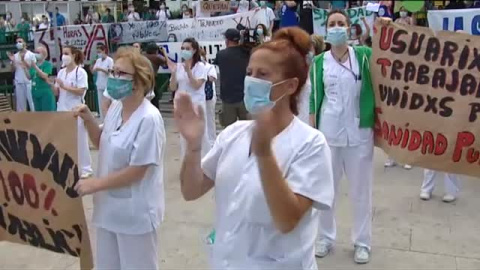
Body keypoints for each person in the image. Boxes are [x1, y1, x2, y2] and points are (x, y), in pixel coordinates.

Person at [174, 26, 334, 269]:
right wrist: (194, 147)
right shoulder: (233, 133)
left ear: (291, 85)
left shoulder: (310, 144)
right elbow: (191, 190)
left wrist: (264, 154)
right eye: (249, 72)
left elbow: (287, 219)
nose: (251, 80)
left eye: (262, 74)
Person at [74, 46, 165, 270]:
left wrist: (95, 184)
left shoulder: (149, 119)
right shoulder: (116, 108)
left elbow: (138, 171)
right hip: (108, 210)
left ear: (139, 81)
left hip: (135, 215)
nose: (113, 78)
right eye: (112, 72)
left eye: (120, 73)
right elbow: (102, 142)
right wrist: (88, 120)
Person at [310, 10, 375, 264]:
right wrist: (313, 134)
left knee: (361, 191)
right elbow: (315, 99)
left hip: (359, 134)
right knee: (327, 191)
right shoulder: (319, 62)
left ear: (349, 28)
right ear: (326, 29)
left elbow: (388, 65)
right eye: (332, 24)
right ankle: (325, 237)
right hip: (328, 134)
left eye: (341, 23)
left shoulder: (364, 56)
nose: (336, 27)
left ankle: (362, 242)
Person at [54, 46, 93, 179]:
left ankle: (86, 168)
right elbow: (57, 91)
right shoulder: (61, 72)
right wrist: (52, 85)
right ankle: (67, 166)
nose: (63, 56)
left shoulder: (80, 72)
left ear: (74, 55)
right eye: (63, 53)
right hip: (62, 108)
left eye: (66, 53)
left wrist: (64, 86)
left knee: (80, 139)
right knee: (63, 138)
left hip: (76, 109)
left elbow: (81, 91)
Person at [168, 37, 210, 158]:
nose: (184, 50)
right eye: (183, 48)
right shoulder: (178, 66)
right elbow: (172, 87)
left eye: (188, 48)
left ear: (194, 50)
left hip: (196, 104)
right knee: (184, 136)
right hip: (182, 106)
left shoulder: (201, 66)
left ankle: (204, 164)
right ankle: (187, 165)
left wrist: (188, 71)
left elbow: (196, 85)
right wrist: (173, 73)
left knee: (200, 136)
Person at [214, 29, 250, 127]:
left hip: (227, 97)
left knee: (229, 130)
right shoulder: (246, 53)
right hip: (245, 96)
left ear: (227, 40)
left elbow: (216, 62)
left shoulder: (221, 54)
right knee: (248, 129)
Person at [298, 34, 324, 124]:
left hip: (314, 115)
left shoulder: (321, 69)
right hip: (300, 115)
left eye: (310, 49)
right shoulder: (299, 69)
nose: (306, 52)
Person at [9, 37, 36, 112]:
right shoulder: (15, 56)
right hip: (19, 82)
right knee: (21, 106)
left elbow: (33, 67)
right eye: (17, 42)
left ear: (24, 43)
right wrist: (13, 62)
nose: (18, 43)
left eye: (20, 41)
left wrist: (23, 60)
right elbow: (12, 70)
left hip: (29, 82)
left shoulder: (31, 54)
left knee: (32, 104)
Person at [24, 46, 55, 111]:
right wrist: (25, 68)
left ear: (43, 54)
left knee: (47, 113)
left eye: (38, 52)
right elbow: (29, 77)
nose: (35, 54)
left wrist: (35, 67)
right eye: (35, 52)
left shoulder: (47, 64)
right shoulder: (34, 64)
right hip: (35, 91)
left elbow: (44, 76)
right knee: (38, 113)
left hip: (45, 92)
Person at [200, 49, 218, 147]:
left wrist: (201, 76)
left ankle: (212, 141)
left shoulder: (209, 67)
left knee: (209, 118)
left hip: (208, 96)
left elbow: (213, 77)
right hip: (197, 97)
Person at [92, 44, 114, 121]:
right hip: (100, 84)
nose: (99, 54)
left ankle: (110, 119)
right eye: (97, 52)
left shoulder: (110, 60)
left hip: (107, 84)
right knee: (101, 103)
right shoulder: (98, 61)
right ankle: (102, 119)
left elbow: (110, 72)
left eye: (100, 52)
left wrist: (101, 69)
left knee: (108, 103)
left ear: (104, 51)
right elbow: (93, 70)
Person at [144, 42, 166, 109]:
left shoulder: (142, 55)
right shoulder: (157, 57)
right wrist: (163, 52)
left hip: (143, 78)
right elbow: (165, 61)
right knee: (154, 98)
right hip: (152, 79)